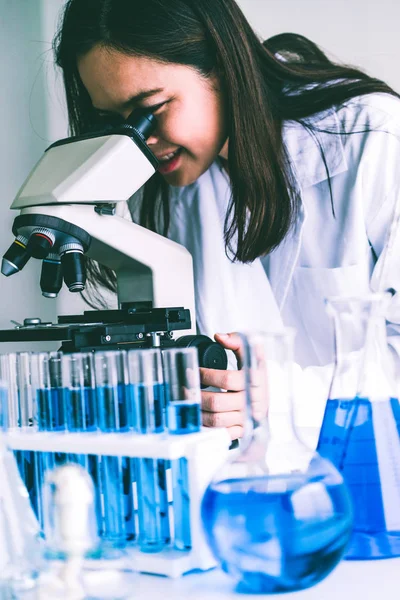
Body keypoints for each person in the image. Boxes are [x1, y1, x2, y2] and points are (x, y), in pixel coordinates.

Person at [54, 0, 400, 441]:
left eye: (150, 110)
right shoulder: (162, 191)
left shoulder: (376, 141)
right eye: (115, 120)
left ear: (222, 65)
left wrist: (281, 399)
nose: (139, 141)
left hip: (372, 471)